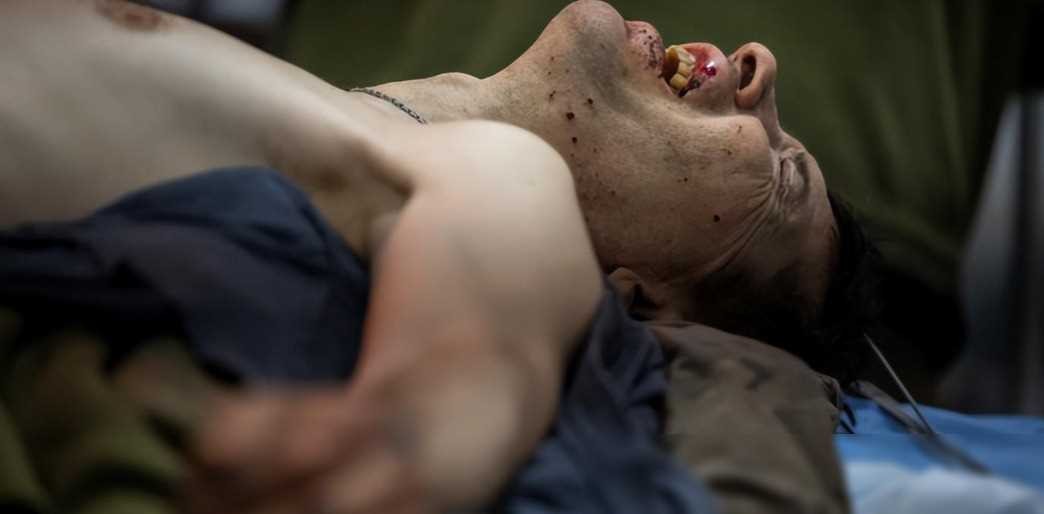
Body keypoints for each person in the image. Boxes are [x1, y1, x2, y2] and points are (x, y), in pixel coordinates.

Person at [0, 1, 864, 512]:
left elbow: (456, 378)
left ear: (639, 300)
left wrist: (411, 437)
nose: (758, 64)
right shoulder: (376, 135)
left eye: (785, 177)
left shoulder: (504, 174)